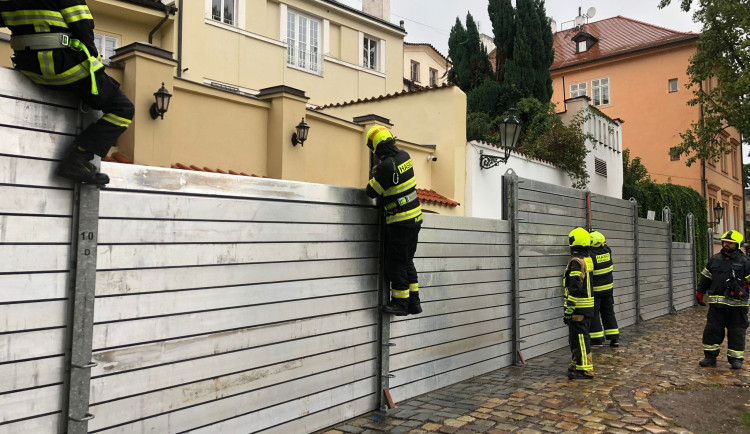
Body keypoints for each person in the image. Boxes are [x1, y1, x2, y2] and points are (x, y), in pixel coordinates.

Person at [0, 0, 134, 185]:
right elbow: (83, 26)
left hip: (30, 70)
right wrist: (95, 67)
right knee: (123, 108)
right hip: (65, 69)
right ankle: (78, 159)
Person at [364, 125, 423, 316]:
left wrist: (375, 171)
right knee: (407, 261)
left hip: (400, 221)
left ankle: (400, 303)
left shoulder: (386, 166)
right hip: (414, 217)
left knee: (395, 263)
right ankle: (414, 302)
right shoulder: (405, 156)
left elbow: (371, 191)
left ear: (377, 147)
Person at [697, 230, 750, 369]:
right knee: (712, 331)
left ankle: (735, 360)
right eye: (725, 242)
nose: (726, 244)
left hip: (738, 307)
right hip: (716, 307)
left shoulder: (745, 262)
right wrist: (700, 292)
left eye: (730, 243)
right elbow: (706, 277)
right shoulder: (715, 259)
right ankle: (709, 357)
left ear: (738, 245)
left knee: (737, 333)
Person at [563, 227, 595, 379]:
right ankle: (577, 365)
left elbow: (575, 287)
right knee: (577, 337)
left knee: (581, 338)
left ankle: (585, 370)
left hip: (579, 307)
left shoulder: (576, 262)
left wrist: (569, 308)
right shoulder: (587, 260)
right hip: (586, 307)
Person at [588, 230, 620, 347]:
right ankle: (614, 338)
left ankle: (597, 340)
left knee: (594, 313)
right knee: (608, 312)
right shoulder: (607, 251)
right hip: (608, 289)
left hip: (596, 290)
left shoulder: (591, 254)